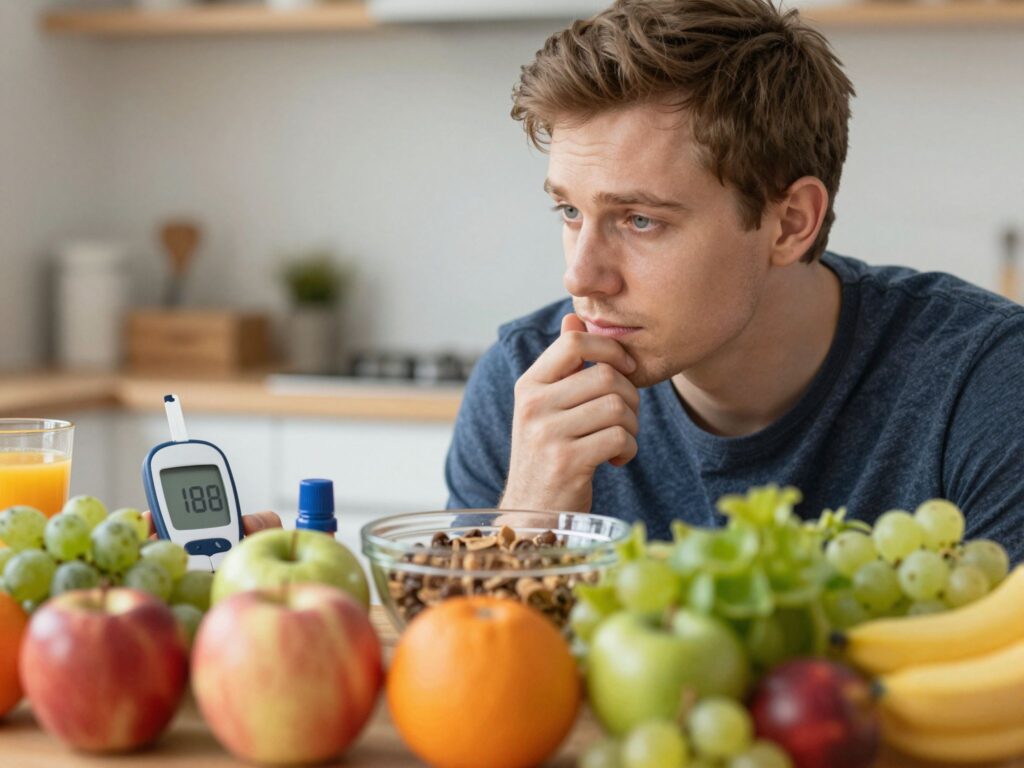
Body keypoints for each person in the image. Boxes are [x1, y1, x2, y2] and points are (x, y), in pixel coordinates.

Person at [444, 0, 1024, 561]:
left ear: (791, 223)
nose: (580, 273)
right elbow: (463, 655)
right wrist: (530, 517)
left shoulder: (986, 384)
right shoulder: (523, 387)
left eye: (641, 220)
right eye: (570, 212)